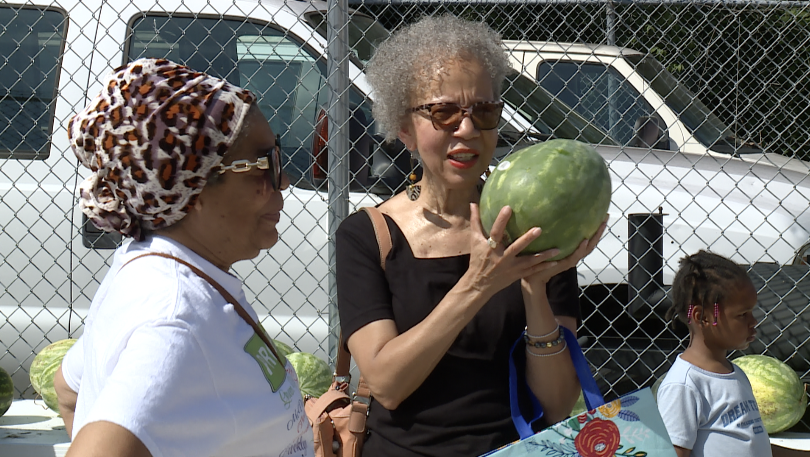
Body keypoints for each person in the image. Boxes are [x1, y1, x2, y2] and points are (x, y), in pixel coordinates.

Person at [335, 15, 607, 457]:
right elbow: (386, 384)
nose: (466, 129)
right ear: (404, 128)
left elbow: (556, 405)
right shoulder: (368, 236)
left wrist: (535, 287)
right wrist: (478, 283)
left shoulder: (529, 226)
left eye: (483, 111)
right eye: (442, 112)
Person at [52, 58, 313, 457]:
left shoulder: (155, 264)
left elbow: (69, 388)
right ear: (191, 189)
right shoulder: (175, 318)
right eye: (265, 164)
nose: (284, 180)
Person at [656, 250, 807, 457]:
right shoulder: (684, 385)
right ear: (703, 318)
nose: (753, 322)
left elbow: (753, 444)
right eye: (742, 314)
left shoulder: (736, 373)